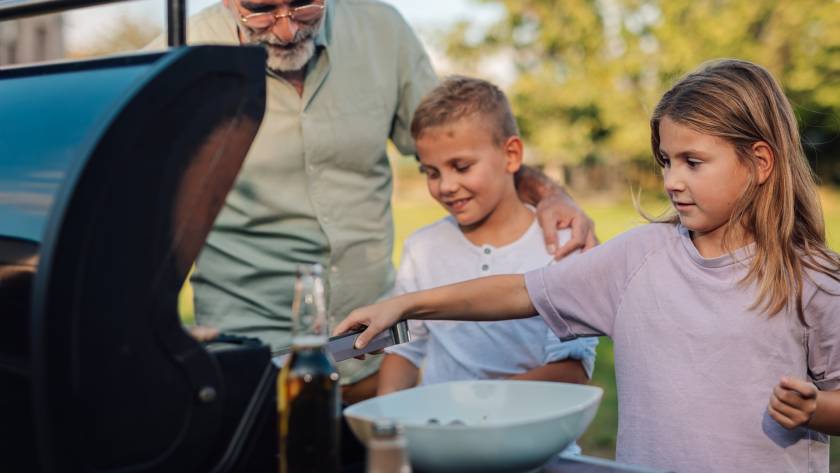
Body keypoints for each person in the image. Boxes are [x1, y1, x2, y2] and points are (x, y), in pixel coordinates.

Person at [335, 59, 840, 473]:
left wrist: (815, 409)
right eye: (666, 161)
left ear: (759, 162)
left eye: (693, 161)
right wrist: (404, 304)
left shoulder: (814, 278)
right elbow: (518, 293)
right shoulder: (637, 257)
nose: (672, 181)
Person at [147, 0, 597, 403]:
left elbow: (463, 136)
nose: (285, 31)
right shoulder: (180, 54)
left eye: (303, 5)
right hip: (255, 353)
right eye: (261, 9)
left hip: (372, 352)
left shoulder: (382, 30)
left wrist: (549, 194)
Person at [377, 77, 598, 424]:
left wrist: (471, 410)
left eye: (461, 167)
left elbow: (572, 369)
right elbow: (407, 350)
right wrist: (386, 420)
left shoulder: (562, 245)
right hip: (444, 445)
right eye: (431, 172)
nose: (446, 186)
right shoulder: (422, 248)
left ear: (511, 155)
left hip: (535, 446)